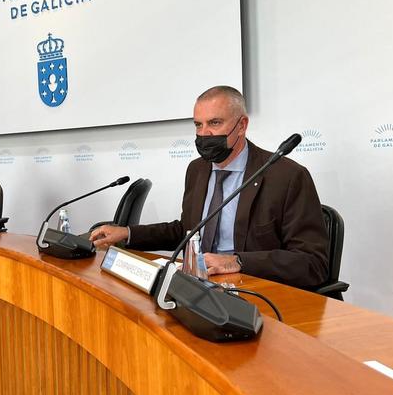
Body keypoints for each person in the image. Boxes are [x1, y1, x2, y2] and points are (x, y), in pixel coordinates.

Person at [90, 86, 329, 290]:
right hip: (198, 289)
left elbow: (313, 263)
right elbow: (186, 231)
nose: (204, 134)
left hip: (254, 290)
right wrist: (128, 233)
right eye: (198, 125)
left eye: (214, 123)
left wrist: (237, 261)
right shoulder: (198, 169)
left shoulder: (285, 176)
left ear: (242, 125)